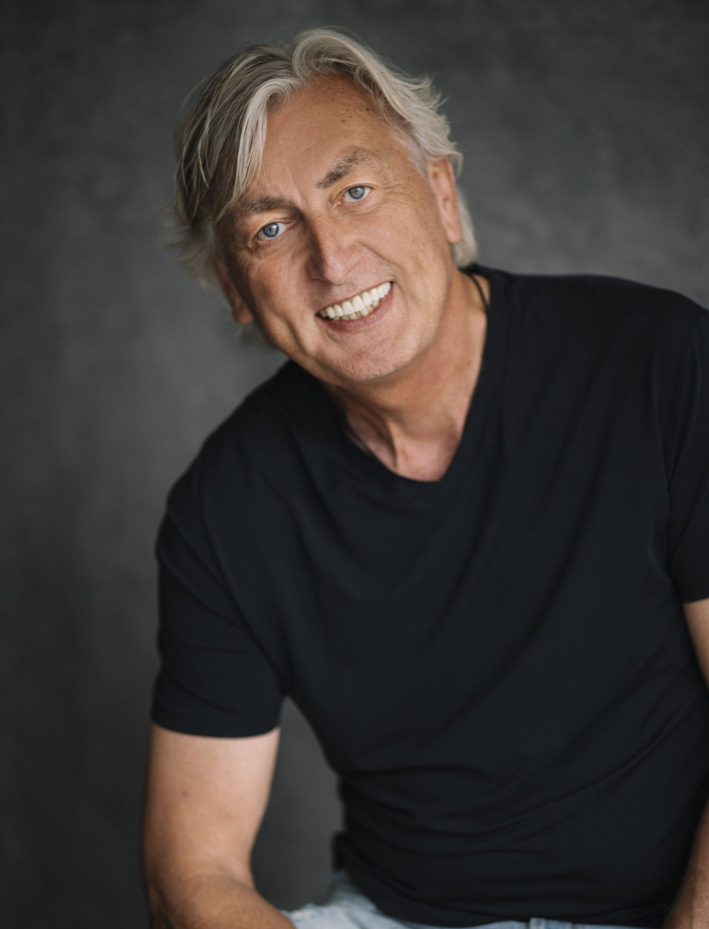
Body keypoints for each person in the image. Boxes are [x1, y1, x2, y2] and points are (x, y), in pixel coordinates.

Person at [140, 27, 709, 929]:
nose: (332, 260)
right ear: (236, 288)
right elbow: (192, 868)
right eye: (270, 229)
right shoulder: (225, 507)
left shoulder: (661, 363)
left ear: (440, 194)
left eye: (354, 191)